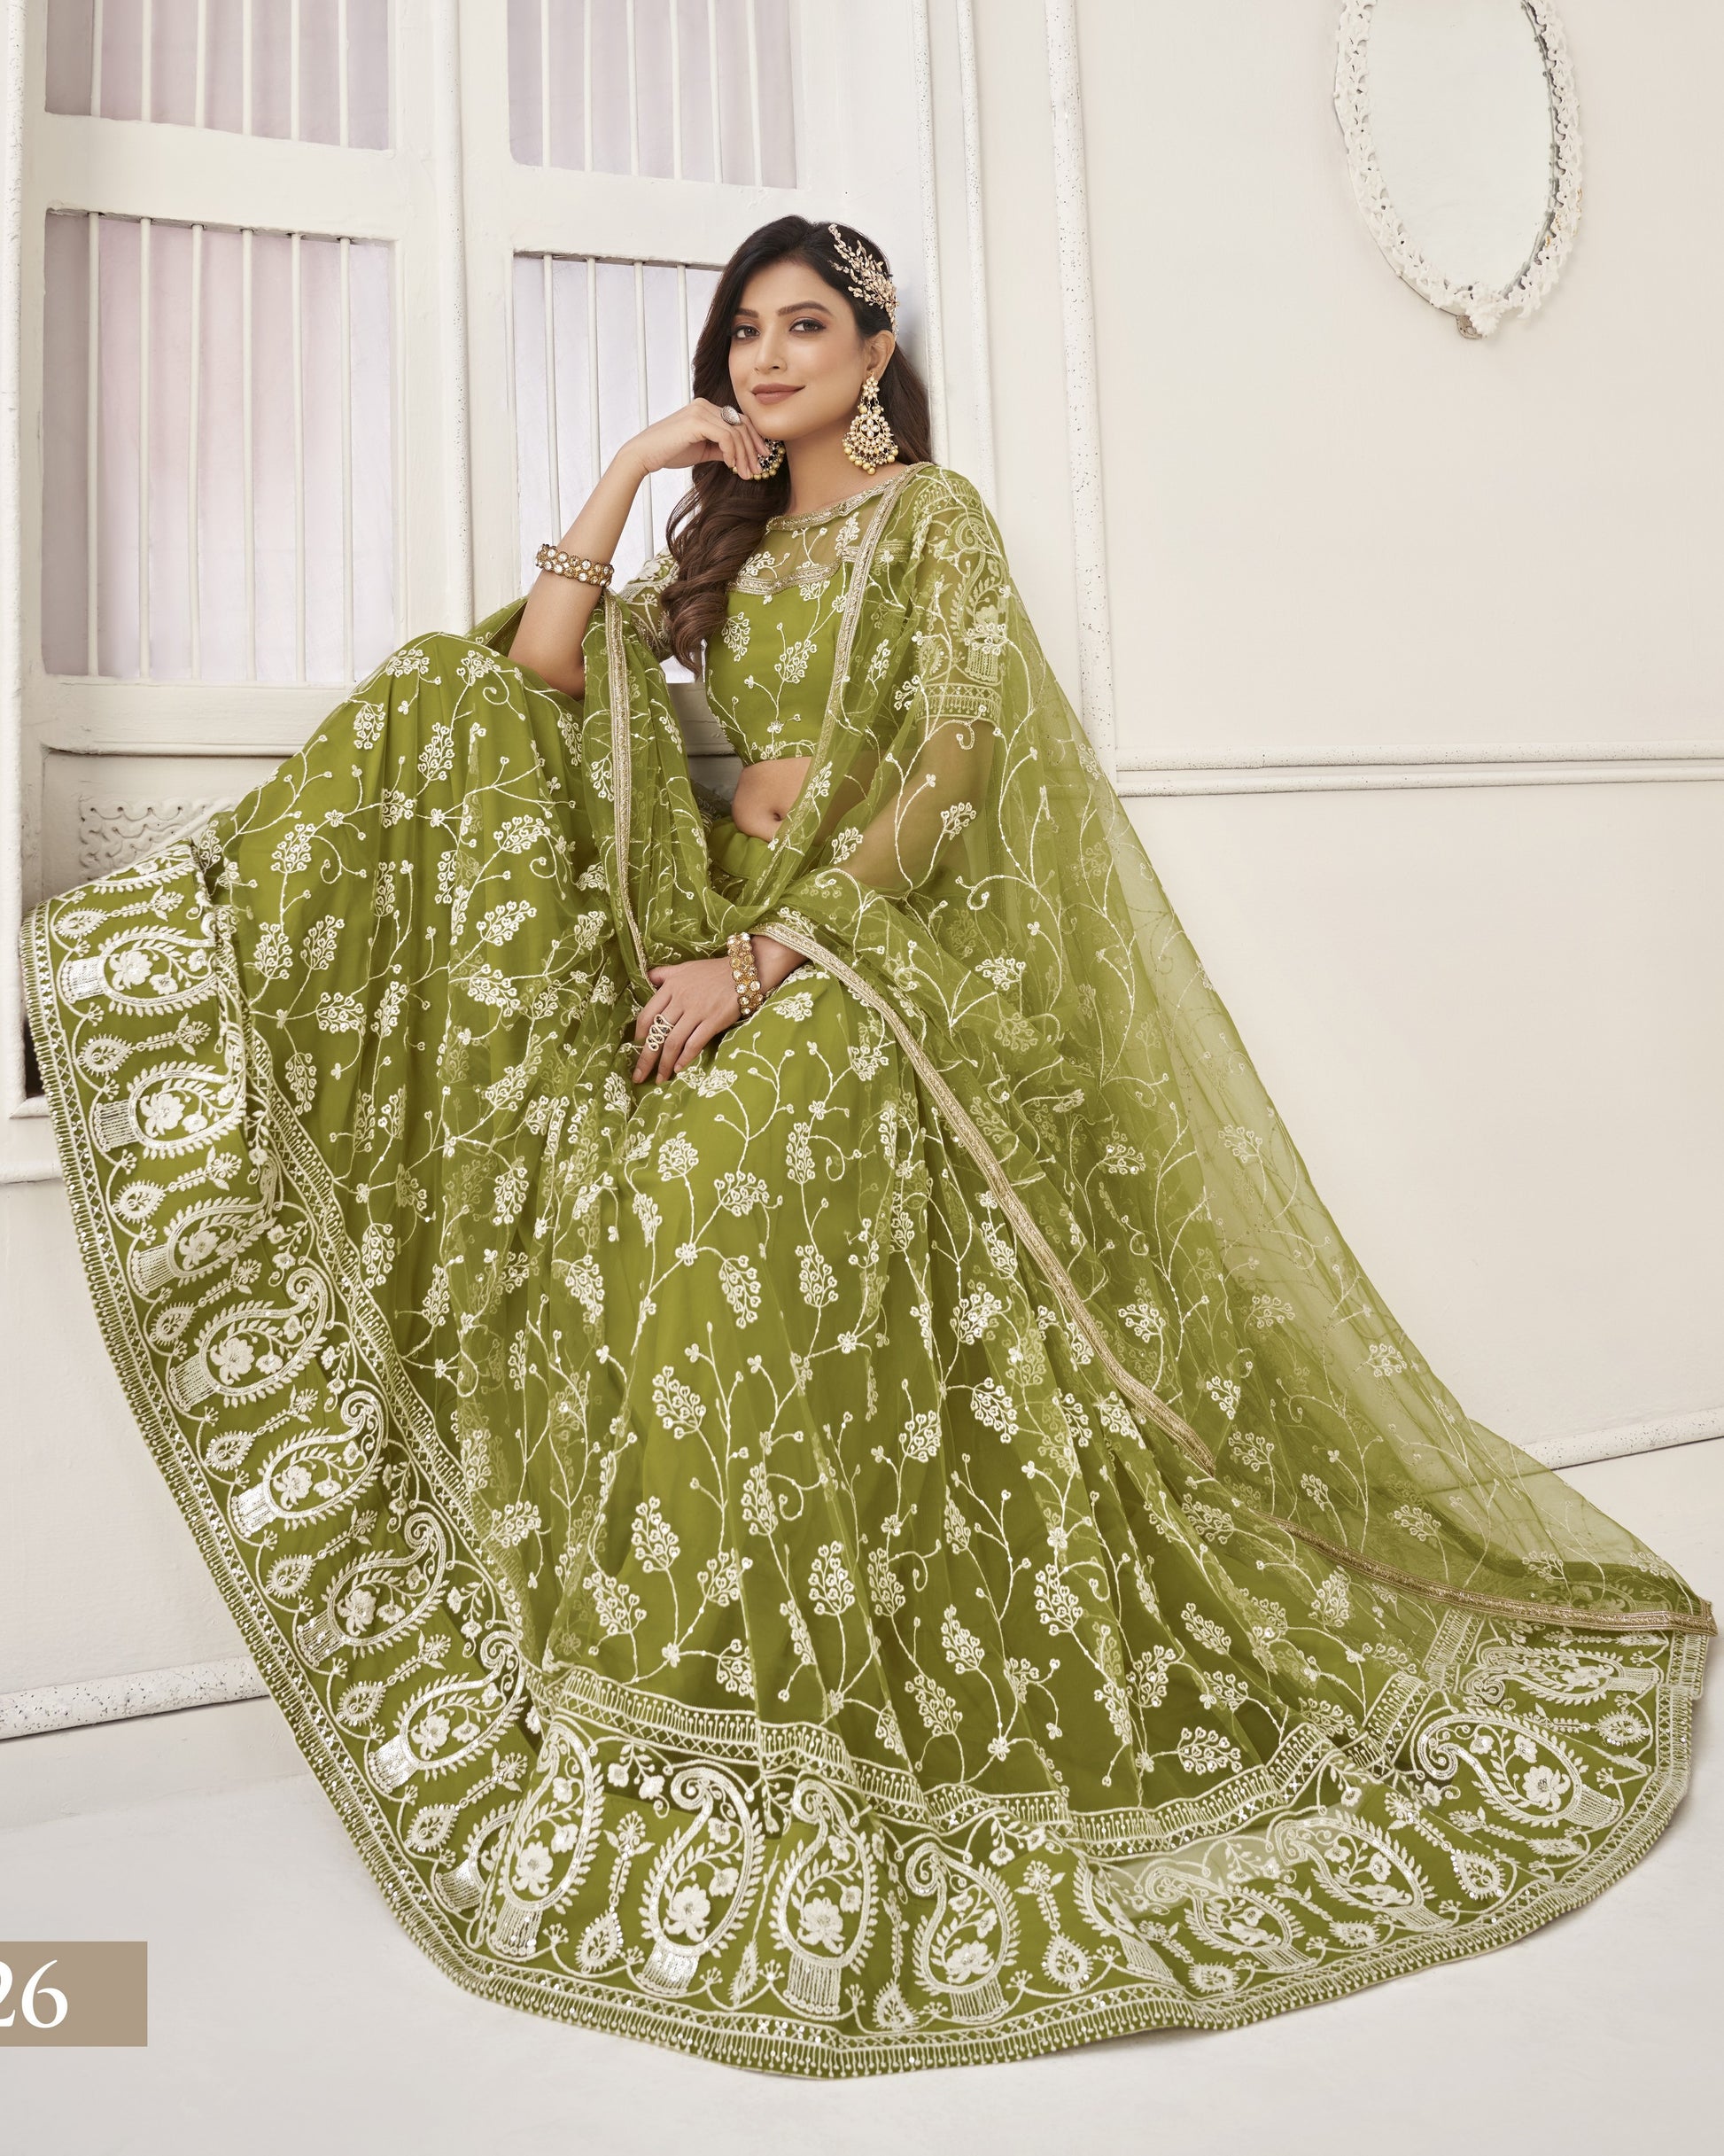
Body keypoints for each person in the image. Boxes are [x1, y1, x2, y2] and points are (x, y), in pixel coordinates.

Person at [19, 214, 1713, 2078]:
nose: (764, 359)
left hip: (874, 960)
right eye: (740, 333)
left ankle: (777, 1683)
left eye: (801, 324)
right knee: (450, 693)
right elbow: (541, 694)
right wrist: (634, 468)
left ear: (874, 339)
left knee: (720, 1181)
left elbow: (960, 770)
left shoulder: (938, 522)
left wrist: (773, 950)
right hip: (707, 942)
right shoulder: (714, 544)